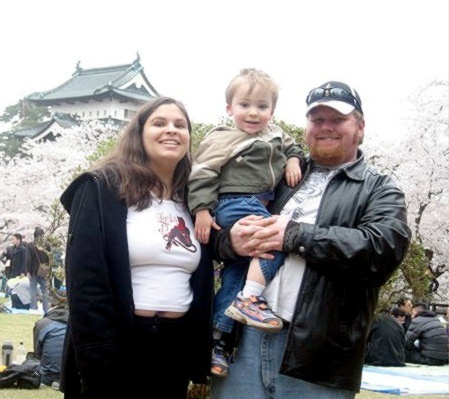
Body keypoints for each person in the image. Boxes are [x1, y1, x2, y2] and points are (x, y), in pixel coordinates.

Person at [210, 80, 411, 398]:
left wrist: (294, 235)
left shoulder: (379, 188)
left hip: (318, 356)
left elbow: (382, 251)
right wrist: (229, 243)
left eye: (337, 119)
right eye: (317, 120)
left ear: (359, 127)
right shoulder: (279, 172)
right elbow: (220, 229)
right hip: (243, 342)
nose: (326, 127)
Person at [59, 96, 214, 399]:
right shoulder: (101, 189)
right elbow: (85, 280)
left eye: (180, 125)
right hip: (116, 344)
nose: (171, 130)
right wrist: (98, 359)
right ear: (139, 134)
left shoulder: (196, 201)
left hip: (174, 349)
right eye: (159, 123)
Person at [188, 68, 303, 376]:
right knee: (275, 242)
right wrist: (201, 210)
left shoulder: (275, 135)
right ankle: (251, 299)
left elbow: (293, 147)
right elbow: (202, 173)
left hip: (258, 202)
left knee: (236, 275)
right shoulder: (222, 138)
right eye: (245, 105)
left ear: (272, 111)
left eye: (262, 107)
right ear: (230, 108)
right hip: (235, 202)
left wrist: (292, 159)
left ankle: (218, 345)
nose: (253, 113)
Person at [33, 305, 69, 387]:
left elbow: (37, 353)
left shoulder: (42, 323)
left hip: (47, 376)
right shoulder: (77, 323)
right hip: (72, 375)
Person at [26, 227, 51, 315]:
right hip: (44, 271)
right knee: (45, 290)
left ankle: (33, 308)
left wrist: (28, 271)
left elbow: (28, 259)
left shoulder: (30, 245)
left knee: (33, 289)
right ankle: (46, 309)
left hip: (33, 270)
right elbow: (50, 258)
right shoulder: (47, 244)